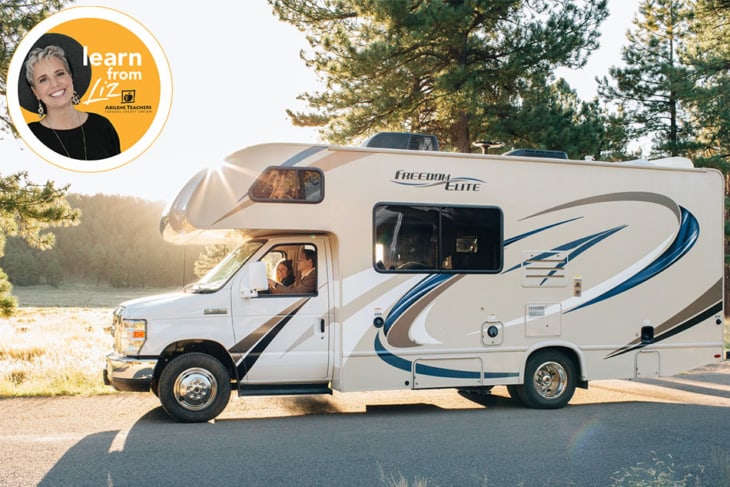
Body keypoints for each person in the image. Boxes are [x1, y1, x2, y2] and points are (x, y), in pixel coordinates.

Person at [20, 34, 121, 160]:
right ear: (35, 92)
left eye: (60, 74)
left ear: (71, 77)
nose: (55, 84)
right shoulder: (28, 136)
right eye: (43, 80)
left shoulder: (102, 126)